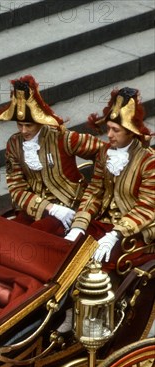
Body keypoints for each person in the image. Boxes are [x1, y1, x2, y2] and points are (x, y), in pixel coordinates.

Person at [0, 75, 104, 236]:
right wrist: (49, 207)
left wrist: (98, 186)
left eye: (28, 125)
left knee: (36, 237)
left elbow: (104, 152)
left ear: (40, 121)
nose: (23, 131)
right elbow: (16, 187)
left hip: (69, 208)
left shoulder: (62, 138)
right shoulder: (14, 144)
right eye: (20, 125)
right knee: (8, 233)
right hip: (37, 209)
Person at [66, 87, 155, 269]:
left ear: (131, 132)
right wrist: (80, 224)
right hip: (103, 222)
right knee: (68, 248)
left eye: (116, 130)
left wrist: (116, 233)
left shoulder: (149, 161)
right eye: (108, 129)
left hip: (134, 231)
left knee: (99, 264)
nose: (109, 135)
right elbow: (95, 192)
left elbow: (146, 207)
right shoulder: (104, 152)